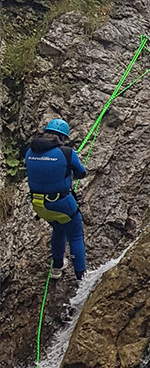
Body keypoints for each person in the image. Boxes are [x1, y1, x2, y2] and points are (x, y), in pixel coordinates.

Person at [24, 119, 88, 280]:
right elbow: (81, 173)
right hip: (61, 203)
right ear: (62, 137)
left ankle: (57, 268)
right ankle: (82, 276)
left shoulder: (29, 152)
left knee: (59, 229)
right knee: (75, 235)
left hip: (39, 205)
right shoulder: (67, 153)